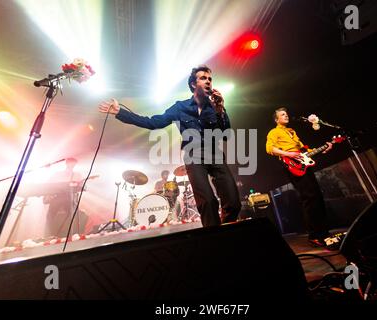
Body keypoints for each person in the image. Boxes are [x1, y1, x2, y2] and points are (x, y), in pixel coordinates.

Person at [98, 65, 241, 227]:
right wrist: (120, 113)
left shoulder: (215, 106)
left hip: (215, 153)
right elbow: (153, 122)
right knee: (207, 202)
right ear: (193, 84)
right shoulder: (180, 107)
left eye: (210, 79)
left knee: (234, 202)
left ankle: (227, 231)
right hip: (193, 155)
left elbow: (226, 134)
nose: (208, 81)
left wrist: (220, 110)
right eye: (203, 78)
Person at [266, 107, 336, 248]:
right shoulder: (274, 132)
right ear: (276, 119)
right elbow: (269, 148)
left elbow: (304, 150)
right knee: (309, 197)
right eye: (282, 115)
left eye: (286, 114)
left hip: (304, 163)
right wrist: (289, 154)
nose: (286, 116)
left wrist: (323, 148)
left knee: (317, 196)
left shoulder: (292, 132)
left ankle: (324, 233)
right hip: (292, 165)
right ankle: (315, 235)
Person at [43, 158, 84, 238]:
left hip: (69, 197)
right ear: (66, 163)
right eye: (70, 163)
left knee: (75, 215)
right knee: (50, 215)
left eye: (73, 164)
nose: (72, 165)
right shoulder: (57, 174)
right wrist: (49, 194)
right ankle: (48, 235)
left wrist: (78, 185)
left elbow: (80, 185)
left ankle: (74, 234)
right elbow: (48, 184)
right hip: (57, 197)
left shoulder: (77, 174)